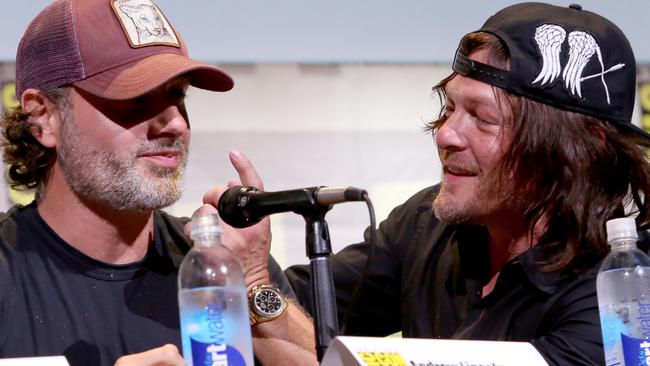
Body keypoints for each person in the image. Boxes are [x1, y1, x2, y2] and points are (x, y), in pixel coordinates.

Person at [281, 2, 650, 365]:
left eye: (483, 118)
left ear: (578, 149)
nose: (445, 135)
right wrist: (239, 264)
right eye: (450, 109)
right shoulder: (426, 223)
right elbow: (303, 303)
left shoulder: (622, 297)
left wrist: (253, 285)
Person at [0, 0, 316, 365]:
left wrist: (254, 281)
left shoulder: (222, 263)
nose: (176, 125)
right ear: (43, 117)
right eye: (134, 99)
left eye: (177, 96)